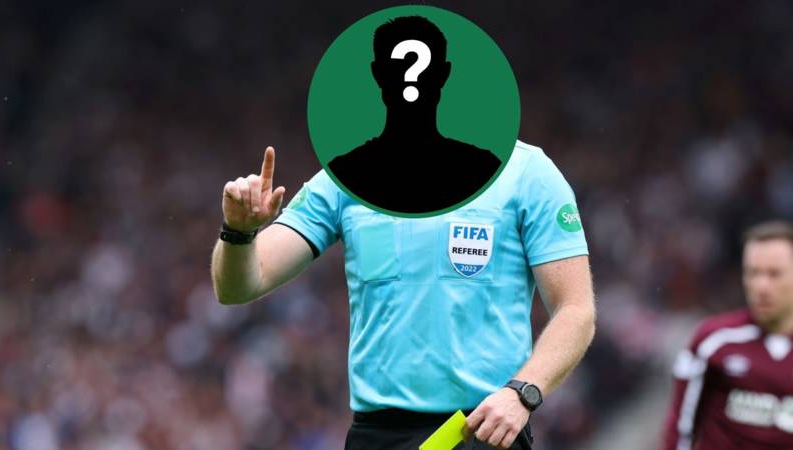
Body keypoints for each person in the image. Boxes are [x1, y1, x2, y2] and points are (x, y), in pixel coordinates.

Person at [211, 142, 596, 450]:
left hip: (485, 430)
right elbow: (239, 286)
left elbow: (576, 311)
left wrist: (523, 393)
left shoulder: (527, 172)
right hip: (377, 437)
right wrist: (238, 232)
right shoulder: (347, 177)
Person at [327, 16, 501, 214]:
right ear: (445, 73)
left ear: (377, 73)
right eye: (399, 68)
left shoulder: (343, 172)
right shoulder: (484, 168)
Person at [662, 220, 793, 450]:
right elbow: (680, 430)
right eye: (753, 273)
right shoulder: (714, 342)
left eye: (774, 274)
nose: (761, 286)